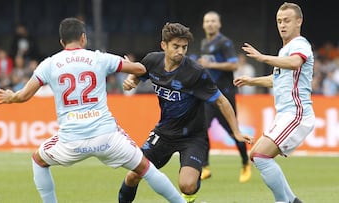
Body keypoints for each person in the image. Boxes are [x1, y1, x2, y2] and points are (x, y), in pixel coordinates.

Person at [0, 17, 186, 203]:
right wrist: (128, 63)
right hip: (107, 137)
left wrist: (11, 97)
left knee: (38, 160)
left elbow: (24, 95)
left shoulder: (49, 64)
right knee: (146, 169)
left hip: (71, 140)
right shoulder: (99, 58)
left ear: (62, 41)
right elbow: (140, 70)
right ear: (83, 37)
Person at [118, 22, 253, 203]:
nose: (180, 51)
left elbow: (222, 101)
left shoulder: (195, 73)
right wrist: (131, 79)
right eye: (176, 46)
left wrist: (236, 131)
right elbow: (137, 71)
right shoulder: (152, 60)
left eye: (184, 47)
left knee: (187, 186)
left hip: (193, 137)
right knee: (133, 176)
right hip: (163, 133)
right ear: (163, 45)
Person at [233, 2, 314, 203]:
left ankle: (282, 201)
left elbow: (296, 62)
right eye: (279, 21)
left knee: (261, 156)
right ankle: (293, 201)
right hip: (286, 114)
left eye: (287, 20)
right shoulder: (284, 50)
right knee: (255, 155)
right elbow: (276, 80)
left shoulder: (300, 45)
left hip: (297, 114)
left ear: (299, 21)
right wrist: (252, 80)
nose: (282, 25)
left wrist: (262, 58)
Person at [197, 11, 251, 182]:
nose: (210, 24)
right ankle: (205, 166)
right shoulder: (204, 43)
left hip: (225, 95)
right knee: (201, 130)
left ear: (219, 24)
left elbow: (234, 64)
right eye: (207, 21)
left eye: (213, 21)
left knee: (233, 131)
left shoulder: (224, 42)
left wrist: (210, 64)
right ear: (203, 24)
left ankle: (245, 163)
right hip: (208, 95)